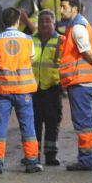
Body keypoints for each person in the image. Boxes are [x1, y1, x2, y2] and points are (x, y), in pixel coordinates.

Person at [0, 7, 42, 175]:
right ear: (18, 21)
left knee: (0, 125)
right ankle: (32, 162)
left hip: (3, 90)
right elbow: (31, 59)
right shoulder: (27, 40)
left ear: (3, 22)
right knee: (27, 126)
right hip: (23, 89)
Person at [58, 0, 92, 171]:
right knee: (87, 121)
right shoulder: (77, 25)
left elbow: (86, 51)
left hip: (80, 81)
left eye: (64, 7)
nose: (61, 10)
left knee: (82, 123)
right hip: (83, 81)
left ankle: (87, 160)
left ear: (75, 9)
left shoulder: (78, 27)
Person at [32, 10, 63, 166]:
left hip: (53, 88)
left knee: (52, 122)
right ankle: (33, 155)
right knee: (34, 123)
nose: (44, 24)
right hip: (33, 89)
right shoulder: (30, 41)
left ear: (54, 23)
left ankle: (50, 155)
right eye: (41, 21)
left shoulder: (61, 41)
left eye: (47, 21)